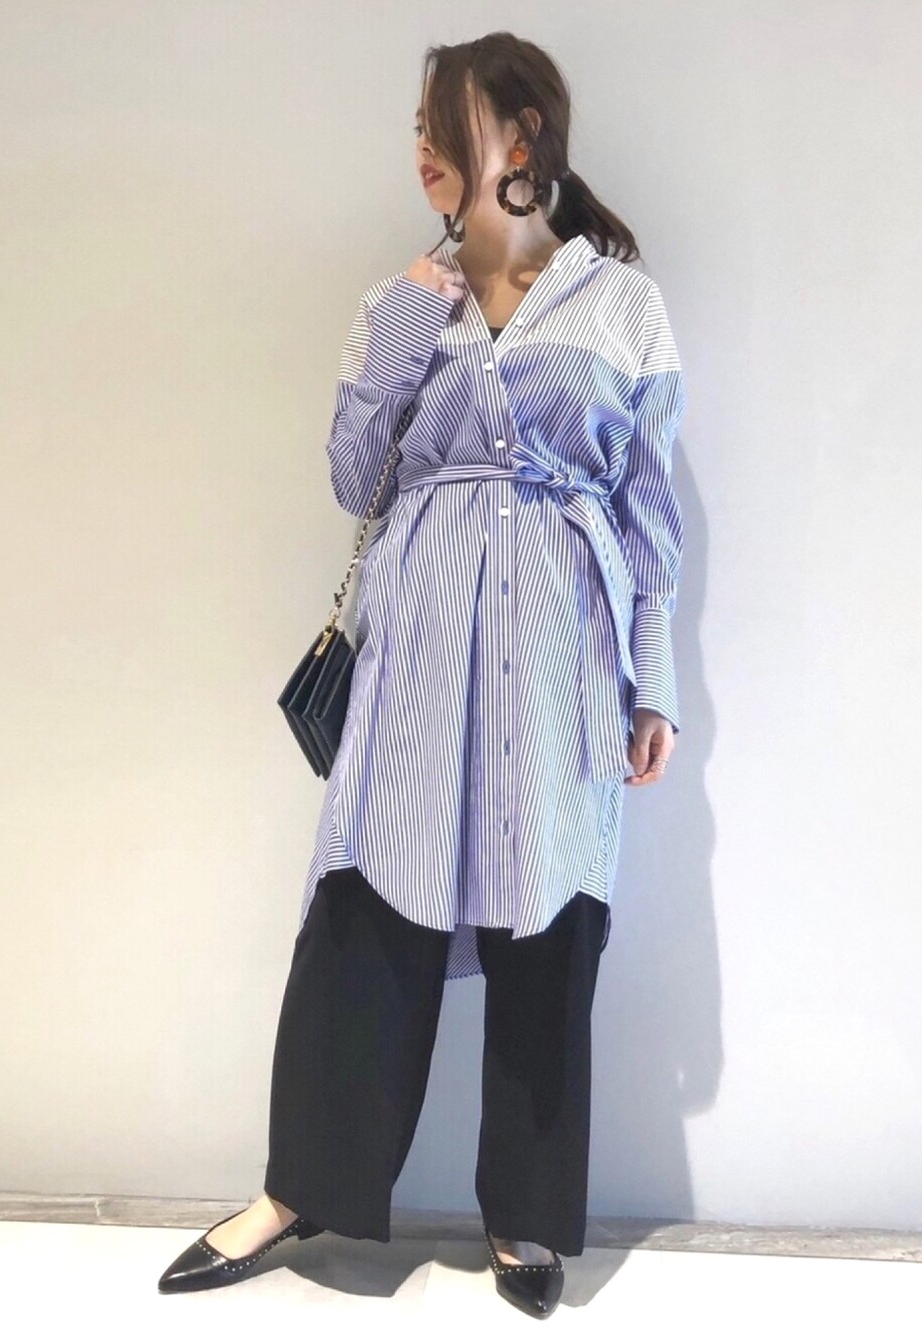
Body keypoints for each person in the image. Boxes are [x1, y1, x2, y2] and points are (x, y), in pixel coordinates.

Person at [158, 29, 685, 1320]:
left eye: (440, 121)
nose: (420, 149)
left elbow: (650, 508)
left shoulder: (622, 304)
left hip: (561, 642)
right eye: (416, 126)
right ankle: (298, 1189)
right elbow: (356, 479)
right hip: (419, 634)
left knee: (547, 911)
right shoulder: (405, 298)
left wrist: (652, 680)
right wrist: (404, 317)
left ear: (520, 135)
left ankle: (526, 1213)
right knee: (367, 898)